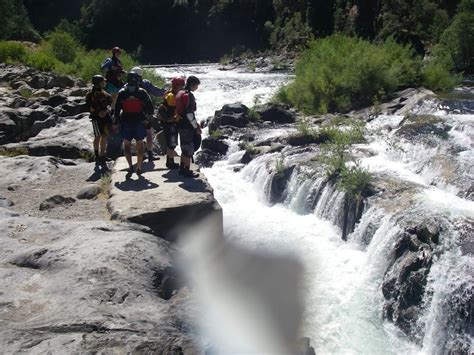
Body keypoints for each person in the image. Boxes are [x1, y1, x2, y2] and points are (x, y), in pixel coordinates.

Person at [113, 72, 154, 176]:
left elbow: (116, 109)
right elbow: (150, 108)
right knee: (140, 144)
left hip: (126, 121)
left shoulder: (122, 92)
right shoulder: (142, 92)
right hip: (139, 121)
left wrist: (115, 122)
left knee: (126, 144)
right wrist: (147, 119)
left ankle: (130, 166)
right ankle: (139, 166)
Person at [130, 66, 166, 161]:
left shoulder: (127, 85)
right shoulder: (145, 83)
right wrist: (167, 92)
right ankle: (150, 153)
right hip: (145, 113)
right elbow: (157, 92)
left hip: (131, 113)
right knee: (148, 133)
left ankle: (140, 154)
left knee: (138, 135)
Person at [175, 75, 201, 178]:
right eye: (197, 85)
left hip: (180, 124)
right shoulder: (189, 95)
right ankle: (187, 170)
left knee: (184, 147)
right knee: (188, 149)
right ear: (193, 84)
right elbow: (190, 114)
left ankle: (182, 169)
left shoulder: (180, 93)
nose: (197, 88)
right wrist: (196, 127)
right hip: (187, 126)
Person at [158, 76, 185, 169]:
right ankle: (170, 162)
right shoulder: (171, 96)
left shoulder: (169, 93)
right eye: (181, 85)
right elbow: (173, 109)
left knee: (171, 143)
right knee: (172, 143)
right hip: (170, 123)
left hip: (169, 122)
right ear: (176, 86)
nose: (182, 88)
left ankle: (170, 160)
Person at [85, 75, 113, 165]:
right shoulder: (90, 95)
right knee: (97, 136)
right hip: (96, 118)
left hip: (105, 118)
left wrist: (106, 109)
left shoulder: (104, 93)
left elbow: (109, 101)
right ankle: (97, 156)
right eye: (102, 82)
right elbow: (88, 107)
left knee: (104, 136)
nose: (104, 83)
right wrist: (98, 112)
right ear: (97, 84)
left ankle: (103, 155)